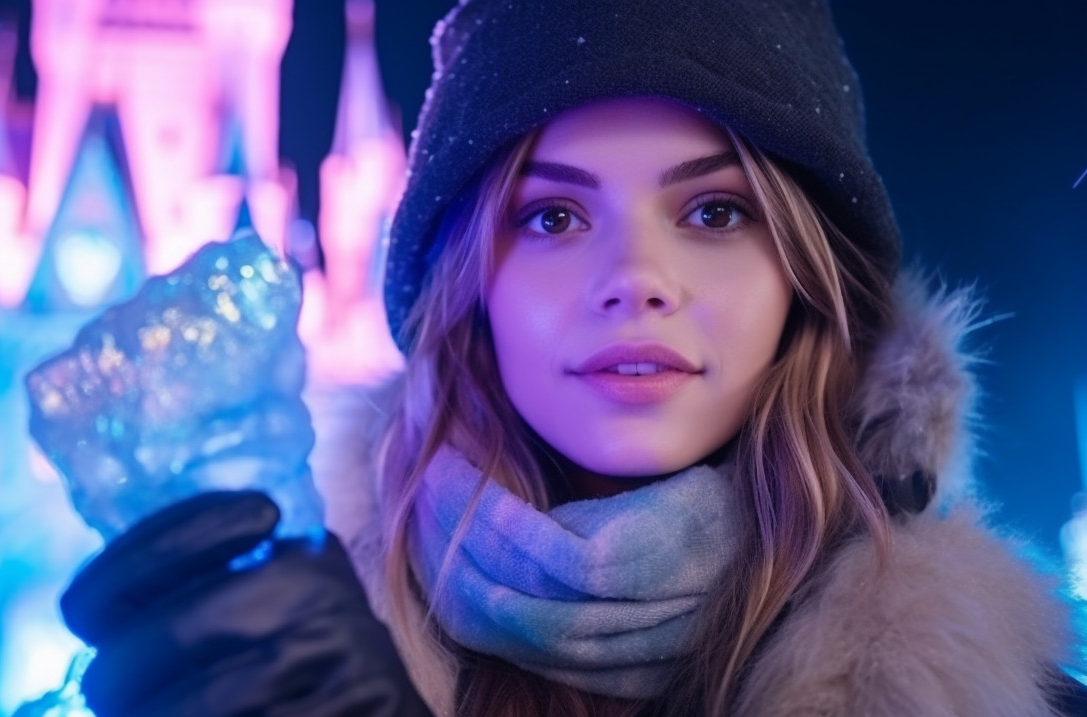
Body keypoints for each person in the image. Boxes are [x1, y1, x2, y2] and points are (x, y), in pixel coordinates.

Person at [55, 1, 1087, 715]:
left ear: (807, 282)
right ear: (468, 290)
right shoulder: (257, 653)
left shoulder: (1005, 697)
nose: (635, 277)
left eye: (715, 211)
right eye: (549, 216)